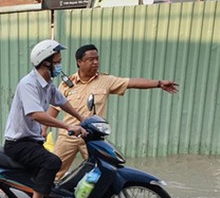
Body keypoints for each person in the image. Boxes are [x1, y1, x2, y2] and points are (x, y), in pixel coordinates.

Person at [47, 44, 180, 180]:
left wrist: (158, 83)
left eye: (97, 59)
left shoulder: (106, 81)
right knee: (53, 171)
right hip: (69, 135)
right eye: (91, 59)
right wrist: (43, 130)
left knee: (98, 173)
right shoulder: (66, 84)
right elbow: (55, 108)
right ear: (79, 62)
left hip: (92, 136)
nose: (95, 62)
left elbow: (132, 83)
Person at [3, 40, 87, 198]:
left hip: (32, 141)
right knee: (52, 162)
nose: (60, 65)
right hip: (18, 143)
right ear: (45, 62)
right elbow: (36, 115)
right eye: (57, 61)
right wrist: (67, 126)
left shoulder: (48, 84)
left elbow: (62, 102)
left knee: (47, 175)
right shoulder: (28, 84)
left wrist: (83, 119)